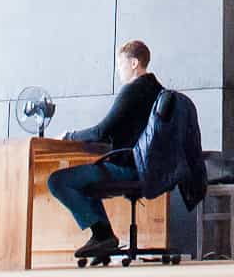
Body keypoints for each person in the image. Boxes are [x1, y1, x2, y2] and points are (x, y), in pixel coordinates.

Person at [47, 40, 161, 258]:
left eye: (121, 65)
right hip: (148, 168)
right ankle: (103, 236)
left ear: (134, 63)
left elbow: (102, 131)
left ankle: (103, 234)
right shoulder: (158, 91)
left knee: (58, 180)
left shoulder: (133, 91)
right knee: (88, 176)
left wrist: (69, 136)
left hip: (129, 168)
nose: (119, 71)